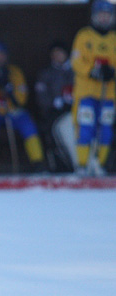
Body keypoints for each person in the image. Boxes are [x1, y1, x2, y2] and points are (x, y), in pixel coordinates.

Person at [0, 40, 45, 174]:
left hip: (13, 112)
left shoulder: (15, 72)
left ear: (6, 56)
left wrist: (9, 90)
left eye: (0, 54)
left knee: (28, 124)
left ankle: (38, 163)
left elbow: (21, 100)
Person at [70, 0, 116, 175]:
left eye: (107, 15)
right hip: (87, 93)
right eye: (101, 15)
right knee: (85, 127)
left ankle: (99, 164)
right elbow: (76, 61)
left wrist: (111, 72)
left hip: (108, 95)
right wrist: (92, 71)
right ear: (94, 16)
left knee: (105, 130)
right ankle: (82, 165)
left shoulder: (113, 39)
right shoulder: (84, 36)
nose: (104, 19)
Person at [34, 41, 75, 172]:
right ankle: (68, 165)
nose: (57, 56)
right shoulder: (46, 74)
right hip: (54, 115)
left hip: (78, 112)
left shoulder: (76, 71)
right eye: (54, 53)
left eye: (60, 53)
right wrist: (55, 104)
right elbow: (41, 98)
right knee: (61, 131)